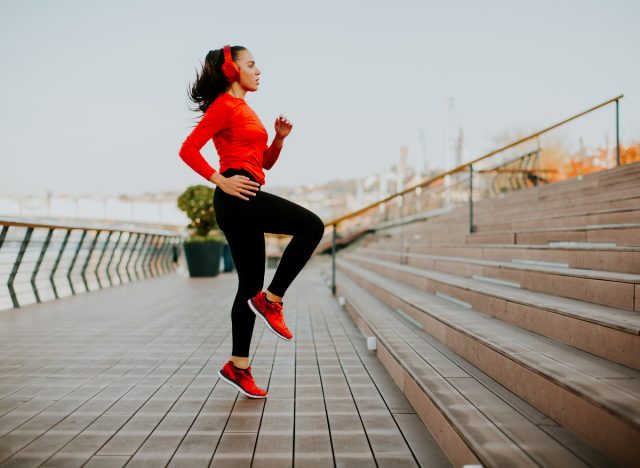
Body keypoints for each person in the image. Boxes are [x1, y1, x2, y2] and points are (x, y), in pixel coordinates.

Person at [179, 45, 325, 398]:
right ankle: (272, 300)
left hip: (245, 193)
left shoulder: (244, 110)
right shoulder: (224, 107)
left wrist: (278, 138)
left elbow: (266, 163)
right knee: (312, 226)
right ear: (231, 70)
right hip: (237, 195)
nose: (258, 70)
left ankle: (238, 366)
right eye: (251, 64)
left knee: (248, 288)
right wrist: (221, 180)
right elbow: (187, 150)